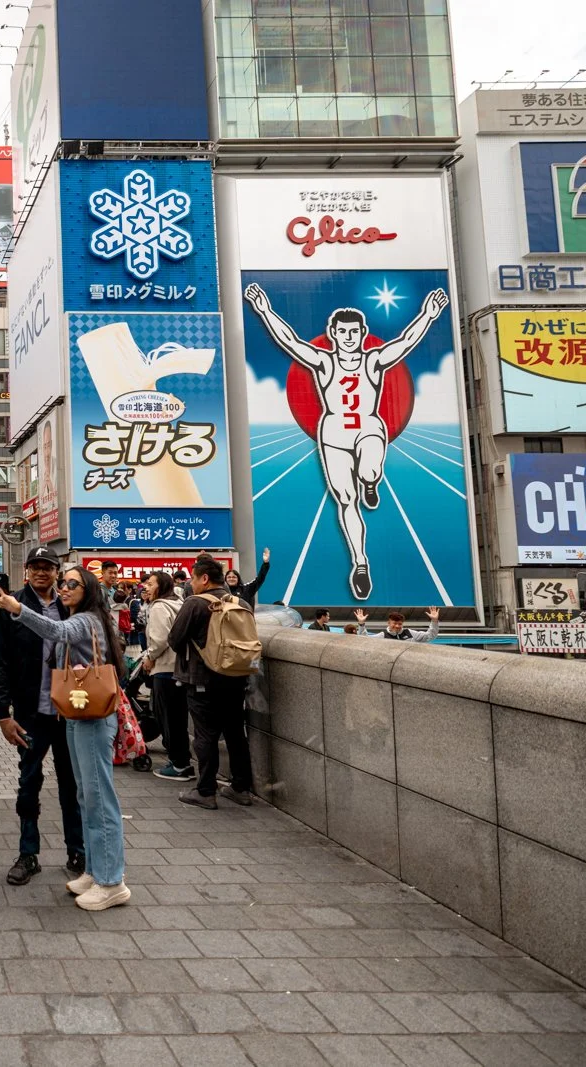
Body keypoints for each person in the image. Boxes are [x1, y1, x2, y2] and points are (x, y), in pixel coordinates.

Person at [244, 283, 449, 600]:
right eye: (343, 332)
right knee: (345, 500)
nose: (350, 337)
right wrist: (265, 310)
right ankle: (361, 562)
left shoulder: (373, 360)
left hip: (367, 425)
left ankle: (371, 480)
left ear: (362, 333)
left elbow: (406, 342)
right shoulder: (325, 363)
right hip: (334, 433)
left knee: (368, 469)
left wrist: (428, 315)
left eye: (355, 331)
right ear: (334, 334)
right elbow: (290, 342)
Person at [0, 565, 132, 911]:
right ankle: (95, 871)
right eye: (64, 582)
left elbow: (55, 630)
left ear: (88, 590)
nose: (65, 587)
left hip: (93, 719)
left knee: (99, 799)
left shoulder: (85, 620)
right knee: (86, 795)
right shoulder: (85, 618)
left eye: (73, 583)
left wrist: (17, 609)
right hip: (75, 715)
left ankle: (112, 881)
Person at [0, 547, 84, 887]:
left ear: (57, 572)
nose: (42, 573)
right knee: (29, 782)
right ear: (26, 570)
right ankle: (28, 853)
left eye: (48, 567)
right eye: (35, 567)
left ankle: (77, 849)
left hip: (69, 711)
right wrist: (2, 714)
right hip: (29, 712)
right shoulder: (9, 605)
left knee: (72, 783)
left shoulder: (69, 605)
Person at [168, 558, 256, 811]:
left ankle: (205, 791)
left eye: (194, 579)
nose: (192, 584)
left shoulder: (195, 603)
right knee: (235, 734)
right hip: (236, 677)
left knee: (205, 735)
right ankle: (241, 788)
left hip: (201, 679)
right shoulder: (242, 603)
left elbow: (174, 640)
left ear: (204, 579)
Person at [138, 571, 190, 783]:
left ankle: (179, 765)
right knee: (179, 719)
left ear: (162, 586)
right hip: (180, 669)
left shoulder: (160, 607)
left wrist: (149, 657)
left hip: (165, 668)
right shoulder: (178, 604)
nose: (146, 588)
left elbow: (159, 640)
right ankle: (182, 762)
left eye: (150, 584)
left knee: (168, 718)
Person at [355, 607, 441, 642]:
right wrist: (361, 624)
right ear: (388, 623)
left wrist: (434, 620)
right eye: (394, 623)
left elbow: (430, 636)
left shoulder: (409, 633)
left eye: (400, 624)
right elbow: (365, 641)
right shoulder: (382, 636)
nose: (397, 626)